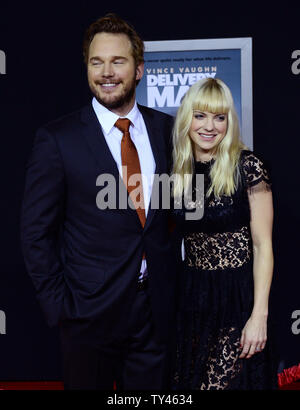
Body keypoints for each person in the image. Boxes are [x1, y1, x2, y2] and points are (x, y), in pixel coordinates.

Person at [20, 13, 177, 390]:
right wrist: (61, 308)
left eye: (118, 61)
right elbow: (35, 233)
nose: (106, 72)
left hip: (155, 315)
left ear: (138, 70)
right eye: (96, 62)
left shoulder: (167, 131)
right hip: (88, 317)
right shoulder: (58, 139)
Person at [171, 78, 277, 390]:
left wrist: (259, 315)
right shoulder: (176, 171)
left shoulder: (248, 167)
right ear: (187, 118)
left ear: (229, 122)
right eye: (200, 115)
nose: (210, 126)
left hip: (237, 299)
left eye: (220, 117)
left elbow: (263, 246)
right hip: (191, 297)